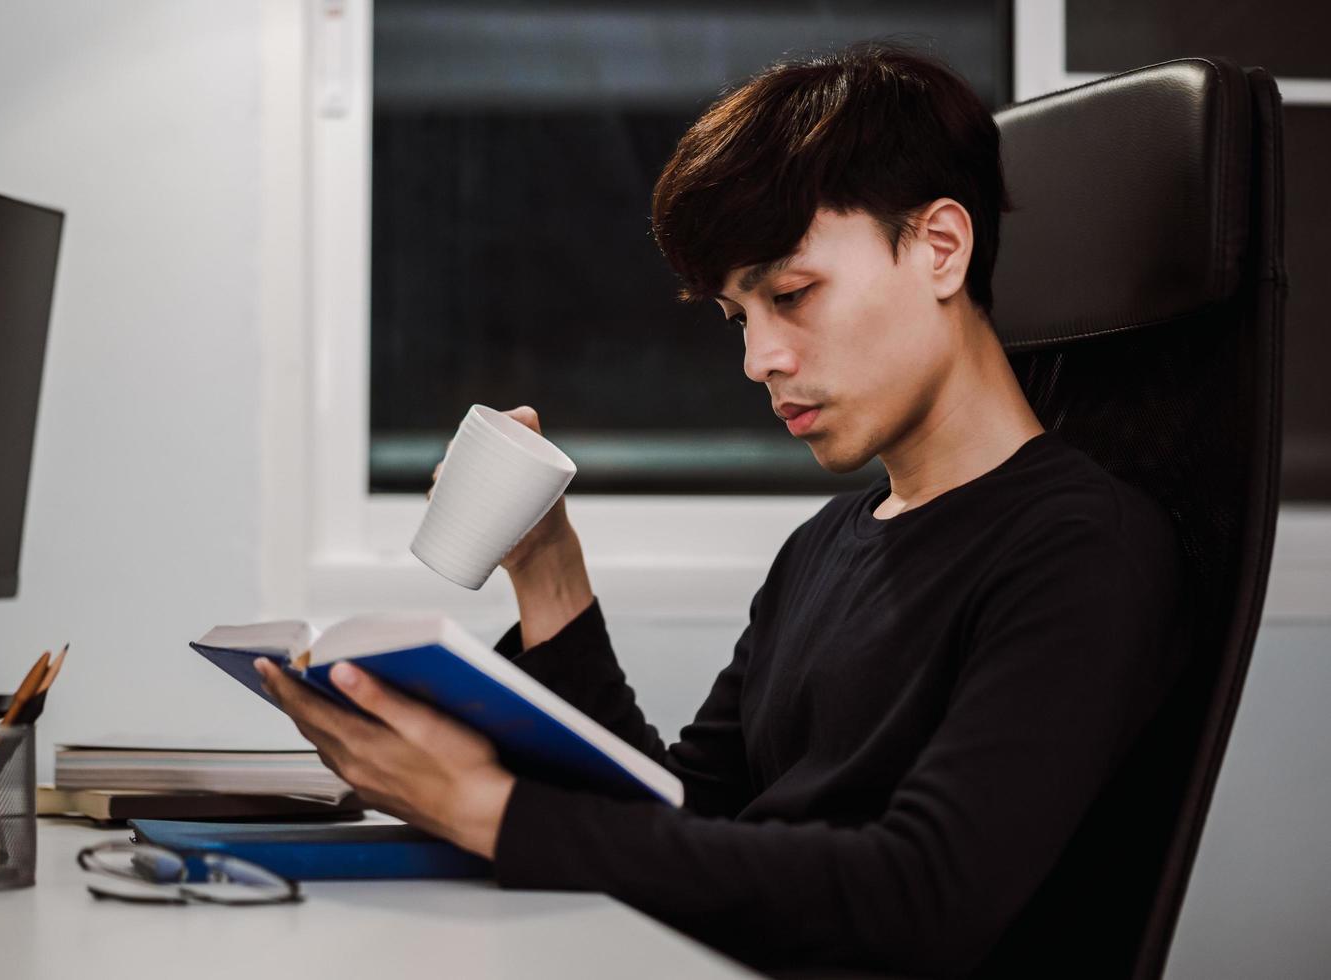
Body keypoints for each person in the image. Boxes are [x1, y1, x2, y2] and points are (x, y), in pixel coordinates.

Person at [256, 41, 1188, 977]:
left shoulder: (1081, 550)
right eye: (740, 318)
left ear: (940, 248)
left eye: (791, 294)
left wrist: (490, 812)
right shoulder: (823, 548)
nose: (759, 361)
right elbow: (683, 818)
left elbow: (923, 897)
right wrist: (546, 565)